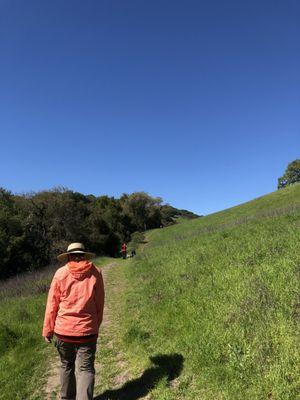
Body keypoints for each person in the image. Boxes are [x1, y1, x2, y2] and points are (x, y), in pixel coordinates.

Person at [42, 242, 105, 400]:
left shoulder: (60, 273)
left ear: (69, 256)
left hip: (64, 332)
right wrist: (94, 325)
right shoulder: (96, 272)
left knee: (66, 364)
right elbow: (100, 303)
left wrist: (48, 330)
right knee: (85, 369)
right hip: (88, 331)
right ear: (84, 255)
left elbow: (52, 304)